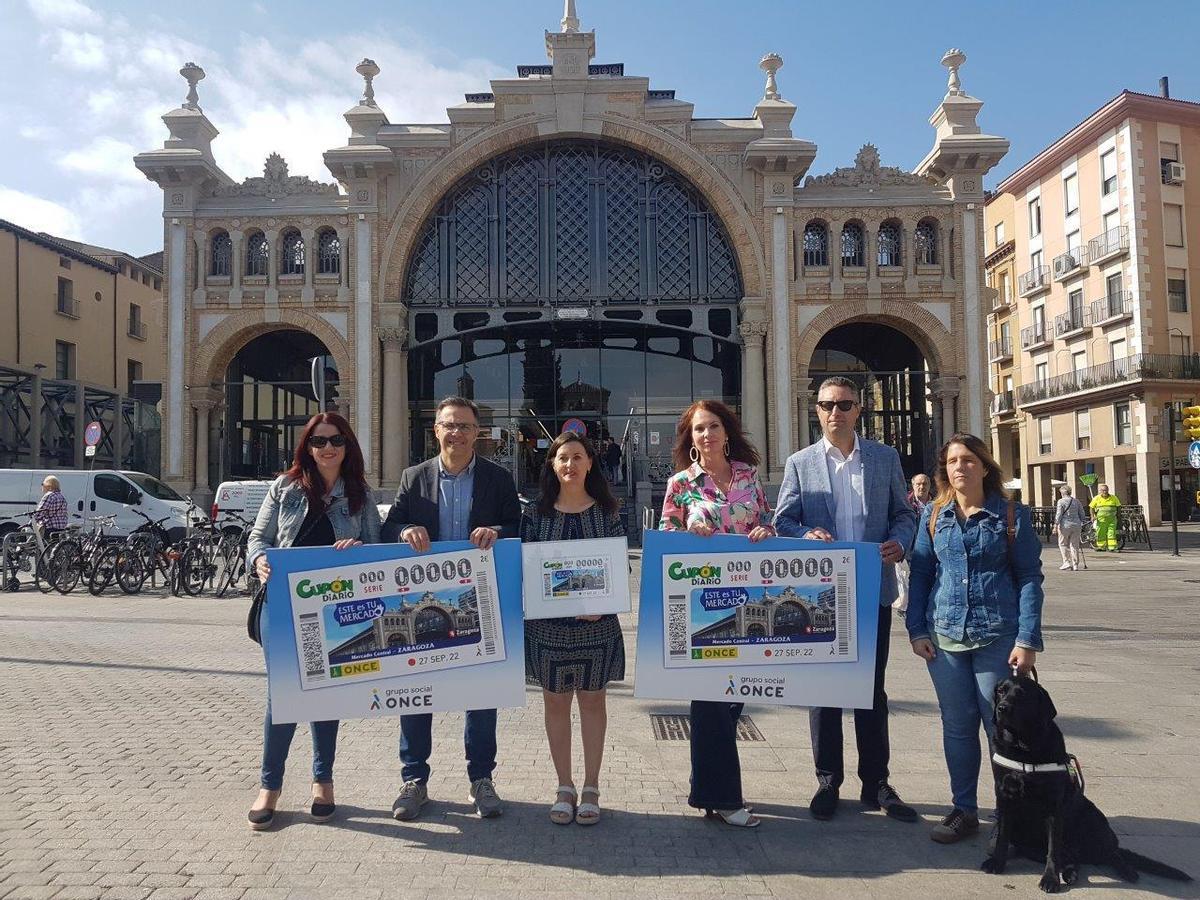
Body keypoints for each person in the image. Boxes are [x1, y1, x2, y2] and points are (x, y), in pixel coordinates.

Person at [773, 376, 918, 824]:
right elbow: (784, 520)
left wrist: (900, 541)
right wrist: (804, 535)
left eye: (843, 404)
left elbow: (904, 512)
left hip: (872, 589)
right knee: (824, 692)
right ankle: (827, 780)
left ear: (859, 410)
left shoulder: (884, 458)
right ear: (815, 410)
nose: (834, 412)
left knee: (872, 690)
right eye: (826, 405)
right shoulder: (800, 463)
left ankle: (877, 782)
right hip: (822, 597)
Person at [382, 396, 521, 820]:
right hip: (426, 607)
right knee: (416, 694)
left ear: (477, 432)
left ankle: (482, 779)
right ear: (436, 431)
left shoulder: (498, 479)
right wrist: (405, 529)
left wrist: (496, 530)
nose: (456, 432)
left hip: (477, 604)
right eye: (448, 425)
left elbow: (519, 526)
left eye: (464, 425)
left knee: (481, 693)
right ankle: (414, 780)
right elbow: (391, 526)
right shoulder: (413, 477)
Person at [245, 412, 381, 830]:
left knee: (326, 693)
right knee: (282, 695)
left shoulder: (359, 494)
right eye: (319, 441)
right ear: (306, 446)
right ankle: (270, 786)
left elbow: (378, 550)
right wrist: (260, 560)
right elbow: (257, 538)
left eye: (336, 440)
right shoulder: (284, 488)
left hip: (336, 608)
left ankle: (323, 780)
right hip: (282, 605)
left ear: (348, 446)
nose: (327, 447)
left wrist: (356, 549)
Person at [906, 433, 1044, 843]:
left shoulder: (1010, 514)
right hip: (944, 635)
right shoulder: (933, 515)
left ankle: (1010, 813)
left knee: (999, 726)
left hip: (997, 634)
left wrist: (1027, 639)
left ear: (985, 466)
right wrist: (916, 630)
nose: (960, 467)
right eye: (952, 462)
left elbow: (1029, 578)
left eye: (968, 460)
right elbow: (921, 575)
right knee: (957, 726)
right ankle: (963, 809)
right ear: (943, 470)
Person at [659, 399, 775, 828]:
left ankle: (706, 789)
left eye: (712, 427)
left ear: (727, 432)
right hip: (702, 607)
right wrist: (689, 532)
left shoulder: (748, 476)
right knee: (712, 701)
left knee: (730, 701)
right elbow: (664, 537)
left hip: (750, 601)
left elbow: (765, 519)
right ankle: (726, 799)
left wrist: (766, 530)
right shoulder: (681, 483)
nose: (706, 435)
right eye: (698, 429)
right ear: (690, 439)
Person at [522, 432, 626, 826]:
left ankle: (592, 786)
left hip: (596, 629)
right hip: (548, 630)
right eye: (562, 457)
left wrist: (601, 605)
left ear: (589, 464)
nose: (570, 464)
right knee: (554, 702)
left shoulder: (608, 511)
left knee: (593, 701)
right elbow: (528, 569)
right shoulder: (535, 513)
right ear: (551, 464)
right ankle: (564, 786)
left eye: (577, 457)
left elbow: (620, 568)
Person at [895, 473, 933, 612]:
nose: (921, 487)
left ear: (930, 485)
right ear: (912, 485)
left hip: (931, 550)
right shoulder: (904, 503)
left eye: (925, 484)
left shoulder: (937, 504)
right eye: (918, 484)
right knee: (908, 581)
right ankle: (907, 609)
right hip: (909, 550)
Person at [1053, 485, 1087, 571]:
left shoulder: (1061, 501)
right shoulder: (1076, 501)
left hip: (1065, 525)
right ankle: (1075, 564)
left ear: (1062, 493)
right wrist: (1083, 521)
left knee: (1062, 543)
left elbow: (1059, 514)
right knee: (1075, 544)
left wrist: (1055, 525)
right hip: (1076, 524)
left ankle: (1066, 562)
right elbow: (1082, 512)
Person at [1089, 483, 1121, 552]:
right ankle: (1101, 547)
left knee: (1111, 533)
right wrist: (1092, 516)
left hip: (1112, 519)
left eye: (1106, 490)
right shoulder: (1096, 498)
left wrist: (1118, 516)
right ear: (1100, 491)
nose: (1105, 492)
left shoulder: (1114, 498)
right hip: (1101, 520)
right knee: (1100, 533)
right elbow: (1091, 507)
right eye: (1103, 490)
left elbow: (1118, 507)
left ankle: (1112, 547)